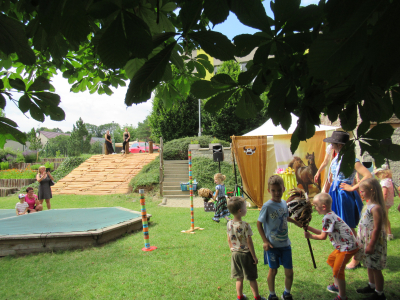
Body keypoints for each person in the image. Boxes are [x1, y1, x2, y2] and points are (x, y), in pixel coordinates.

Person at [322, 131, 371, 269]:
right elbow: (331, 178)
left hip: (344, 196)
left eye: (332, 143)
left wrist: (352, 187)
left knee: (348, 227)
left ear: (339, 144)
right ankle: (346, 252)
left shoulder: (352, 160)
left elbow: (367, 174)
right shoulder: (335, 159)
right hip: (335, 194)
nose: (330, 145)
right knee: (340, 227)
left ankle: (356, 258)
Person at [304, 193, 359, 300]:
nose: (315, 208)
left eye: (316, 205)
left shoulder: (328, 218)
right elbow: (324, 231)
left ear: (323, 206)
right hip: (342, 246)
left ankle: (342, 296)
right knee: (331, 260)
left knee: (338, 271)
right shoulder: (330, 215)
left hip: (347, 247)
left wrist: (310, 236)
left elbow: (323, 236)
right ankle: (336, 285)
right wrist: (308, 228)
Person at [257, 175, 302, 300]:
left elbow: (285, 216)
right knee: (273, 271)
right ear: (268, 190)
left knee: (289, 272)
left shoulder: (283, 203)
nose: (276, 193)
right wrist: (265, 241)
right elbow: (258, 224)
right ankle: (272, 295)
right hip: (272, 246)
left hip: (285, 245)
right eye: (273, 190)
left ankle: (286, 293)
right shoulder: (267, 206)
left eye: (279, 190)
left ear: (283, 188)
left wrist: (295, 222)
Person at [227, 197, 266, 300]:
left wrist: (231, 247)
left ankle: (240, 297)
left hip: (235, 254)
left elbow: (229, 238)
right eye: (245, 207)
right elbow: (249, 242)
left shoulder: (229, 223)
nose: (246, 209)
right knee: (252, 277)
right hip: (246, 254)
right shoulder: (245, 226)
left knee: (238, 277)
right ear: (240, 211)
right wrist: (254, 256)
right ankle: (257, 297)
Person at [355, 178, 387, 300]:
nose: (361, 193)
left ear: (372, 191)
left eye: (362, 191)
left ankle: (379, 293)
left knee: (376, 268)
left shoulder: (376, 208)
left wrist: (371, 244)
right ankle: (371, 285)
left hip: (373, 243)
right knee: (369, 265)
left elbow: (377, 228)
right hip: (366, 241)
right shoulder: (368, 204)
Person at [374, 166, 394, 240]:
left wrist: (382, 203)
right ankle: (387, 233)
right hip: (387, 202)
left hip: (385, 202)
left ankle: (388, 233)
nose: (377, 176)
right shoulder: (388, 180)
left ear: (385, 174)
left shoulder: (385, 182)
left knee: (384, 218)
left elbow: (384, 193)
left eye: (378, 174)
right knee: (384, 217)